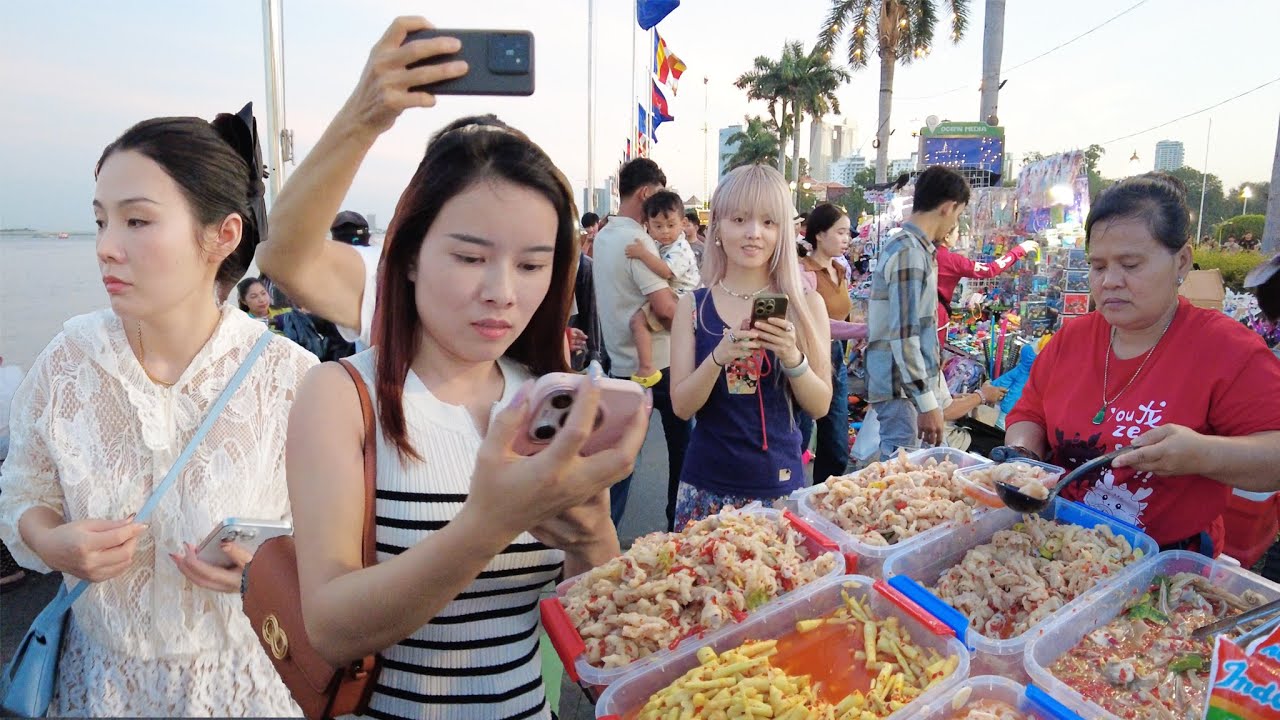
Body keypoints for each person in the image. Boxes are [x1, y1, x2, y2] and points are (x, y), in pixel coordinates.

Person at [271, 19, 649, 718]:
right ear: (409, 255)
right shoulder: (343, 394)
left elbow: (600, 626)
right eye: (471, 258)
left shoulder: (549, 402)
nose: (503, 290)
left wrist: (595, 534)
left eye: (533, 265)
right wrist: (486, 525)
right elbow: (330, 625)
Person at [0, 110, 315, 716]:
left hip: (246, 687)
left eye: (137, 220)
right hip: (99, 686)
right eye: (100, 220)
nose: (105, 246)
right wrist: (53, 540)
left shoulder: (293, 379)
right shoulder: (68, 363)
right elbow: (22, 493)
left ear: (221, 235)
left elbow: (337, 547)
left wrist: (269, 574)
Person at [1001, 173, 1280, 553]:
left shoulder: (1228, 349)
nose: (1110, 281)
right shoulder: (1073, 338)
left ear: (1182, 261)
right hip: (1060, 545)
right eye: (1098, 267)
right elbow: (1029, 413)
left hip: (1167, 558)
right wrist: (1022, 459)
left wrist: (1201, 453)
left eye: (1130, 265)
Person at [669, 164, 832, 526]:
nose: (753, 234)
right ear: (718, 228)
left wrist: (792, 356)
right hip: (705, 487)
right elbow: (682, 406)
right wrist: (718, 358)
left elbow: (820, 406)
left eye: (769, 222)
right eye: (739, 219)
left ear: (783, 232)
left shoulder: (807, 305)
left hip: (779, 487)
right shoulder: (693, 306)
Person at [593, 158, 690, 529]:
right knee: (683, 453)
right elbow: (666, 309)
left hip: (621, 364)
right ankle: (679, 527)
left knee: (621, 460)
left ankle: (599, 536)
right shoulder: (637, 241)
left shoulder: (603, 236)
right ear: (648, 192)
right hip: (662, 366)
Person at [866, 166, 971, 457]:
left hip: (903, 385)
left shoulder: (914, 248)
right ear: (948, 207)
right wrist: (926, 402)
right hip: (901, 387)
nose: (954, 224)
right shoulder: (909, 252)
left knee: (910, 467)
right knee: (902, 471)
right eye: (958, 215)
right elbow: (905, 336)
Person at [796, 203, 858, 483]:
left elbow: (843, 311)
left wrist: (857, 335)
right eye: (840, 232)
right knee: (799, 436)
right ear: (819, 235)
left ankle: (821, 499)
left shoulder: (840, 269)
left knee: (835, 441)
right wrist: (864, 330)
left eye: (848, 233)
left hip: (835, 357)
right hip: (806, 355)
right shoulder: (803, 272)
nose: (847, 239)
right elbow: (817, 323)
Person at [625, 189, 701, 387]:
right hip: (677, 297)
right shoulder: (662, 245)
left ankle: (646, 368)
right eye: (658, 226)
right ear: (647, 225)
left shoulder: (681, 249)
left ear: (683, 223)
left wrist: (642, 254)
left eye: (670, 225)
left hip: (681, 299)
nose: (665, 231)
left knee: (637, 322)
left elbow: (666, 271)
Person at [936, 230, 1037, 346]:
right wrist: (1019, 250)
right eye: (957, 231)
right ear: (947, 236)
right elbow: (990, 269)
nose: (958, 235)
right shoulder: (951, 260)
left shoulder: (923, 254)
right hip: (937, 318)